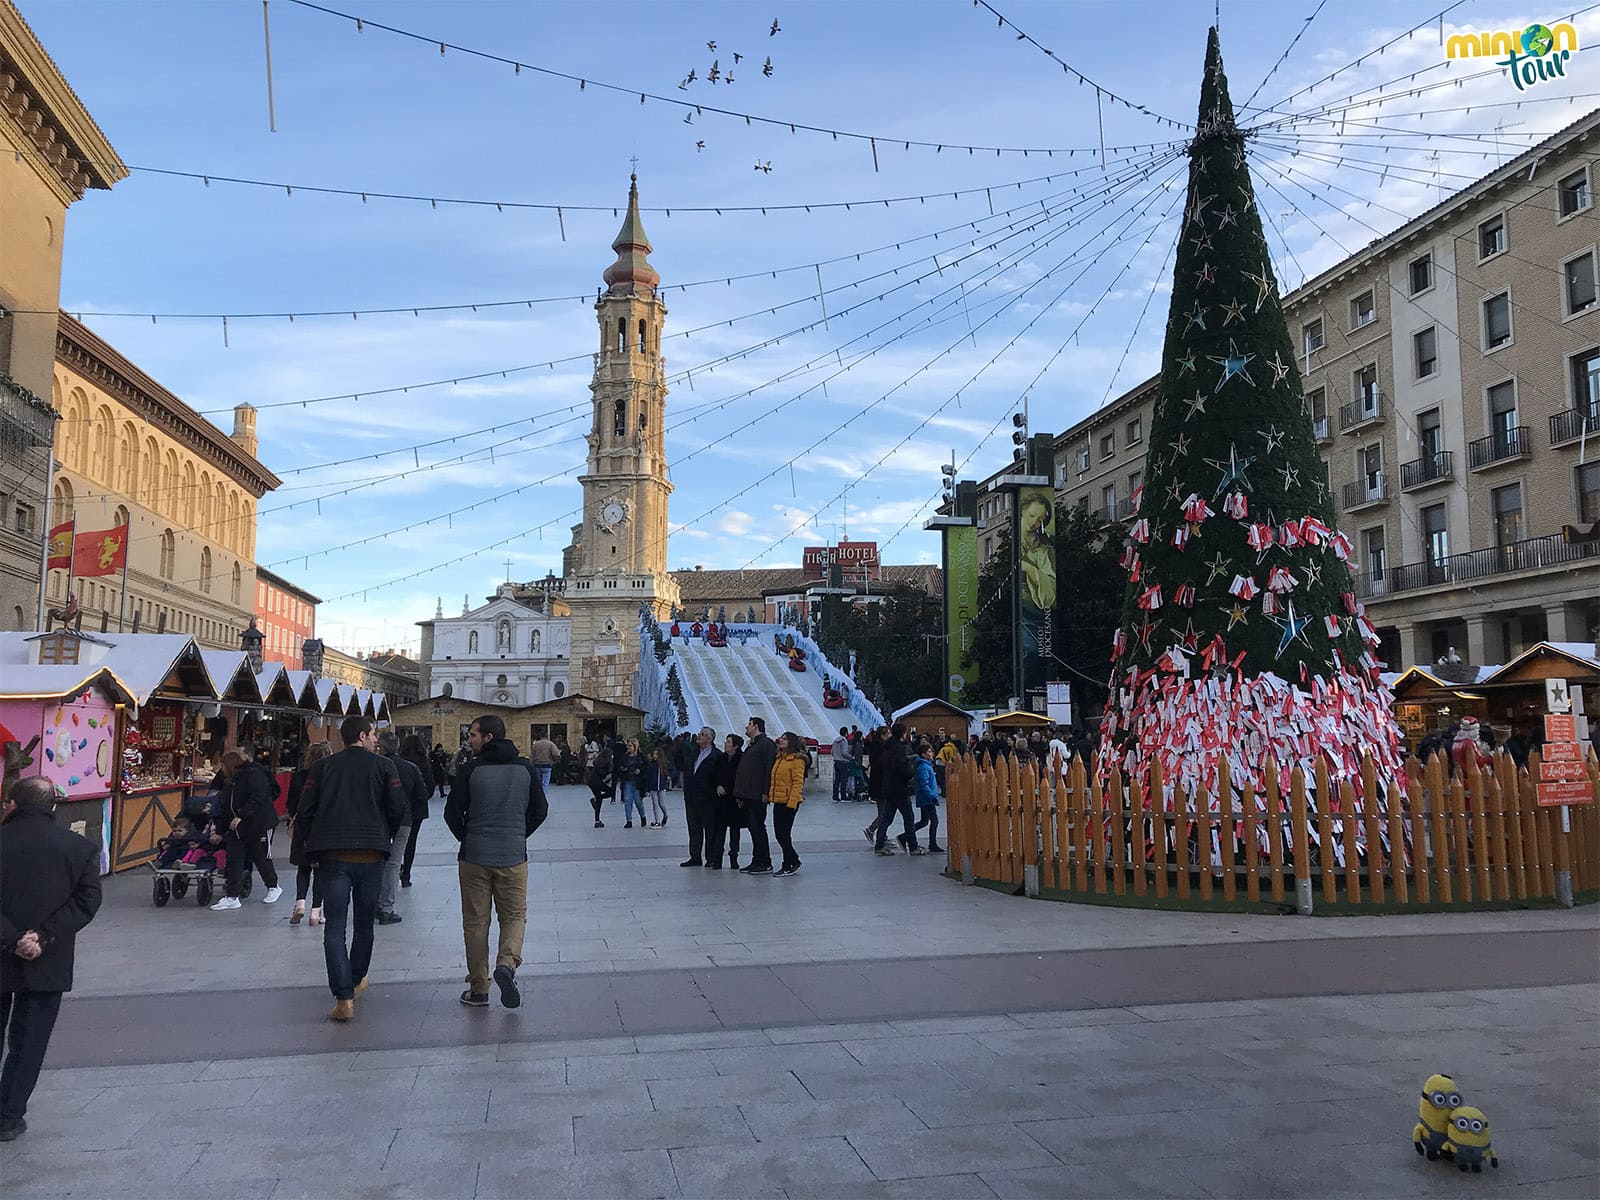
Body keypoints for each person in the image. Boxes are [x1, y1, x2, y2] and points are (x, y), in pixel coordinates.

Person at [1, 777, 102, 1143]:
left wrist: (13, 938)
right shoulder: (79, 848)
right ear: (53, 807)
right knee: (30, 1041)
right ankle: (9, 1116)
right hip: (49, 957)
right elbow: (87, 902)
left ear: (11, 804)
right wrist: (42, 936)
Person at [294, 715, 407, 1022]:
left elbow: (304, 810)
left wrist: (312, 843)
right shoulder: (385, 767)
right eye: (373, 734)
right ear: (361, 735)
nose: (376, 740)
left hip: (333, 855)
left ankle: (343, 996)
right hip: (371, 855)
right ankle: (356, 980)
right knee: (364, 925)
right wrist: (385, 833)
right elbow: (397, 807)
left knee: (334, 927)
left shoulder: (322, 767)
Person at [443, 715, 547, 1009]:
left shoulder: (470, 769)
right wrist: (518, 834)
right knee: (514, 916)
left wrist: (468, 837)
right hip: (514, 856)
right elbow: (541, 809)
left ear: (488, 738)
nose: (469, 739)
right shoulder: (525, 768)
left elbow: (451, 813)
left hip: (474, 857)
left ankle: (479, 988)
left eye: (473, 735)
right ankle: (507, 964)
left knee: (476, 923)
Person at [211, 744, 282, 911]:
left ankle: (273, 886)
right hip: (237, 826)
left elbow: (259, 798)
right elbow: (224, 803)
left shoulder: (254, 775)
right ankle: (232, 896)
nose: (221, 770)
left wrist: (241, 815)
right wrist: (221, 828)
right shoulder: (230, 781)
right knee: (235, 859)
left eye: (223, 766)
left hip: (258, 823)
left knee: (261, 857)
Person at [375, 731, 430, 925]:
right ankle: (386, 907)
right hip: (404, 819)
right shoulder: (410, 768)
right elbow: (423, 793)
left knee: (377, 860)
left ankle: (374, 903)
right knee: (394, 863)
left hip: (379, 819)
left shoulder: (376, 766)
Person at [286, 742, 332, 926]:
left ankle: (300, 903)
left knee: (303, 868)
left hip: (301, 827)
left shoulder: (299, 777)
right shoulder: (329, 778)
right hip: (322, 828)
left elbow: (290, 803)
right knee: (320, 870)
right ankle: (316, 912)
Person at [734, 717, 778, 874]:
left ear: (756, 726)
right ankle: (757, 860)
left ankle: (765, 861)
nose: (746, 727)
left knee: (758, 827)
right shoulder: (753, 745)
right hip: (748, 794)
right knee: (753, 828)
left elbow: (769, 769)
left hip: (757, 794)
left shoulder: (767, 744)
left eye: (749, 724)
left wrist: (766, 791)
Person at [876, 724, 920, 856]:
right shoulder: (898, 748)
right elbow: (901, 767)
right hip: (899, 788)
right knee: (908, 817)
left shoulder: (887, 747)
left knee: (887, 818)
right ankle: (913, 846)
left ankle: (879, 844)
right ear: (903, 734)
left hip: (889, 787)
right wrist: (910, 773)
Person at [681, 727, 720, 867]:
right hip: (691, 798)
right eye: (699, 733)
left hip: (707, 800)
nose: (698, 736)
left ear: (709, 739)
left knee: (710, 830)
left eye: (702, 735)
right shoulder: (694, 753)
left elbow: (718, 777)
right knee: (694, 829)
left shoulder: (716, 756)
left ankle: (711, 858)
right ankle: (695, 857)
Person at [769, 732, 807, 876]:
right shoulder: (780, 758)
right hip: (778, 801)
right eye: (781, 738)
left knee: (783, 834)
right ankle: (793, 860)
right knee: (780, 834)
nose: (781, 740)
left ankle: (789, 863)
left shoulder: (796, 761)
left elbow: (798, 783)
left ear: (791, 742)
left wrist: (792, 803)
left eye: (784, 739)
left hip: (789, 803)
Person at [398, 734, 433, 888]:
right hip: (417, 809)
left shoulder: (398, 761)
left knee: (395, 840)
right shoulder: (423, 761)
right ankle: (406, 874)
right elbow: (430, 785)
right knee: (411, 841)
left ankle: (393, 868)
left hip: (398, 806)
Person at [709, 734, 744, 870]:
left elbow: (741, 779)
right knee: (720, 830)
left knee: (735, 830)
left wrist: (738, 795)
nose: (725, 744)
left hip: (735, 799)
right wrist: (718, 785)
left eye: (728, 742)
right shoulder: (721, 758)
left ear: (735, 746)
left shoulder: (741, 759)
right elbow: (714, 775)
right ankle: (717, 858)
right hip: (721, 800)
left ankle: (733, 857)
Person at [913, 743, 943, 854]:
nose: (932, 754)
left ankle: (905, 836)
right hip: (927, 798)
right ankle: (932, 844)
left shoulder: (926, 765)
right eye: (929, 752)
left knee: (924, 821)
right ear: (924, 754)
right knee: (934, 821)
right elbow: (924, 784)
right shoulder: (924, 767)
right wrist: (932, 796)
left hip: (925, 797)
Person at [585, 741, 612, 828]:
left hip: (591, 782)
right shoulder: (605, 762)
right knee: (611, 792)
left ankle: (597, 820)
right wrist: (606, 774)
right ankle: (596, 800)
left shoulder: (598, 760)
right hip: (597, 782)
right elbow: (601, 772)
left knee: (599, 800)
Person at [645, 745, 672, 828]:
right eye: (654, 754)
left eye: (656, 754)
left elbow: (671, 771)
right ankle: (657, 821)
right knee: (655, 803)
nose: (654, 756)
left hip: (662, 786)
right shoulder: (651, 765)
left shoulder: (665, 764)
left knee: (661, 803)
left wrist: (668, 776)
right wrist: (647, 789)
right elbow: (648, 776)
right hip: (653, 786)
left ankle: (665, 814)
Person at [528, 731, 559, 796]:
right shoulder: (550, 744)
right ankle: (543, 795)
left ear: (540, 736)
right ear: (547, 736)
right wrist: (554, 761)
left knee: (539, 782)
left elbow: (532, 756)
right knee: (545, 782)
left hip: (537, 765)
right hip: (547, 765)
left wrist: (531, 764)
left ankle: (539, 793)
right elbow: (556, 754)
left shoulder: (535, 744)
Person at [830, 727, 852, 803]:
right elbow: (844, 753)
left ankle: (835, 796)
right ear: (846, 733)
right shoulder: (844, 741)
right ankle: (843, 796)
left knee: (837, 781)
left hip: (836, 762)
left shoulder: (835, 741)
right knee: (843, 780)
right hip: (843, 762)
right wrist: (851, 757)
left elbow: (832, 752)